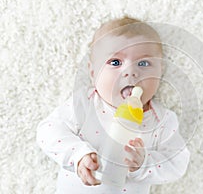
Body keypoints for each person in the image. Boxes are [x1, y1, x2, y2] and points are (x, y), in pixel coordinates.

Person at [37, 16, 190, 194]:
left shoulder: (162, 120)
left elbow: (177, 163)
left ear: (160, 72)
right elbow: (48, 131)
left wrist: (143, 163)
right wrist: (78, 155)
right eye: (115, 62)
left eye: (143, 63)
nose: (130, 72)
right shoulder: (85, 104)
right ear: (93, 72)